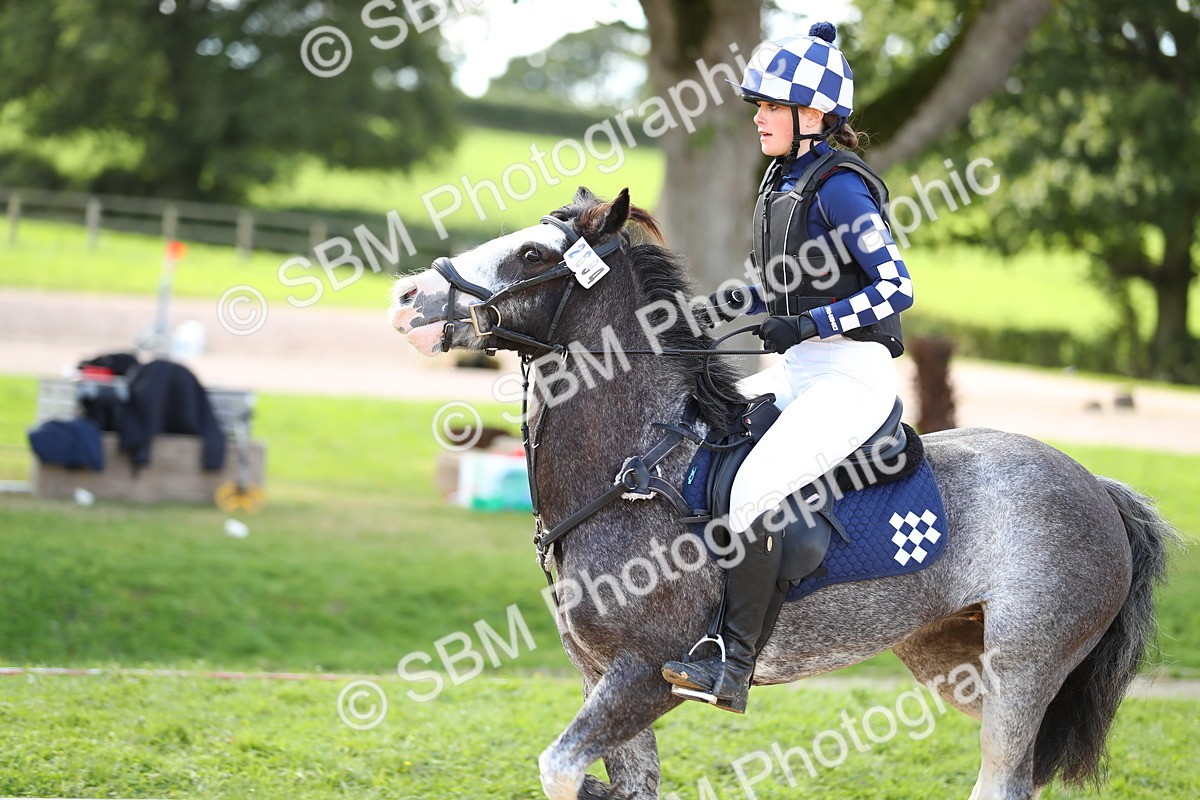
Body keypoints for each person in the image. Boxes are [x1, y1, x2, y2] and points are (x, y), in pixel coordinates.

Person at [661, 22, 913, 713]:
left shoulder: (840, 189)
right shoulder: (782, 181)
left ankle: (732, 667)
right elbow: (767, 286)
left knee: (756, 492)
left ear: (813, 114)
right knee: (696, 427)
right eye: (760, 106)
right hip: (802, 371)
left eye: (772, 106)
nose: (759, 118)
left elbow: (896, 289)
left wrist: (806, 322)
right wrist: (694, 320)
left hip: (850, 377)